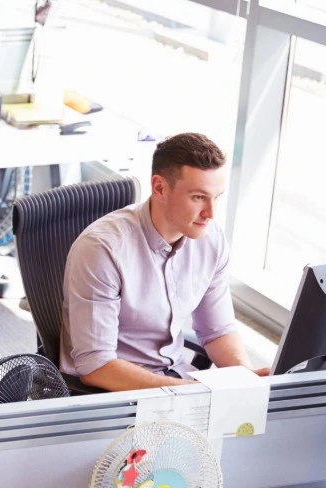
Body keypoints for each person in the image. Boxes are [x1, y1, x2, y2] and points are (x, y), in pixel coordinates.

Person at [60, 133, 268, 391]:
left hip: (174, 378)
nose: (211, 213)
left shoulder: (210, 239)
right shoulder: (102, 249)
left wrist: (245, 375)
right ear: (159, 188)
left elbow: (217, 331)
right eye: (198, 197)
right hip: (114, 390)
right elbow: (96, 365)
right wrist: (181, 392)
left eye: (217, 197)